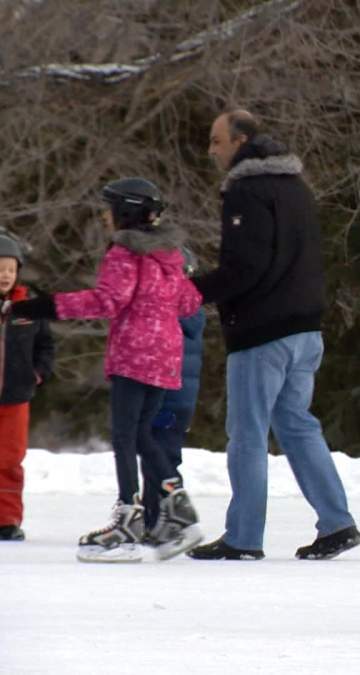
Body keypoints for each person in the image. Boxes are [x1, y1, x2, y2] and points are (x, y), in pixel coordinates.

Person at [187, 110, 360, 561]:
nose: (211, 150)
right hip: (305, 329)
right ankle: (338, 522)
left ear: (241, 141)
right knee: (297, 425)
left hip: (263, 332)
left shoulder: (245, 190)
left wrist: (191, 291)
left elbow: (244, 267)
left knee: (247, 433)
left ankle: (243, 537)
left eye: (216, 140)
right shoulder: (296, 187)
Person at [11, 178, 203, 562]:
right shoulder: (170, 256)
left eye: (108, 208)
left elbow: (107, 300)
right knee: (144, 434)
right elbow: (188, 302)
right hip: (165, 356)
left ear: (125, 212)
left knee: (123, 437)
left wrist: (38, 307)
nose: (103, 215)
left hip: (134, 356)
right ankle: (177, 507)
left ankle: (128, 523)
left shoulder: (124, 252)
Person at [143, 248, 205, 532]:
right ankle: (153, 517)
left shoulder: (171, 312)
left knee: (159, 458)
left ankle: (165, 517)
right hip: (180, 400)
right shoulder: (193, 310)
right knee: (161, 455)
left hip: (167, 398)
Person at [0, 233, 54, 542]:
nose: (5, 275)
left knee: (8, 460)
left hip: (16, 397)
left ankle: (6, 520)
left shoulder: (29, 306)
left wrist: (37, 374)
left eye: (10, 269)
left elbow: (45, 346)